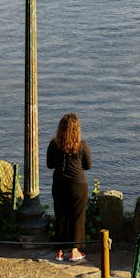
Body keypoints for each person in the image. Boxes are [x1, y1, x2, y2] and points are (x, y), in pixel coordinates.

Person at [46, 112, 92, 262]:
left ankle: (59, 251)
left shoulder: (54, 144)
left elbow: (49, 164)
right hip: (78, 184)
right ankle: (74, 250)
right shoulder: (82, 145)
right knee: (77, 217)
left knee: (60, 215)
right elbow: (88, 166)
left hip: (59, 183)